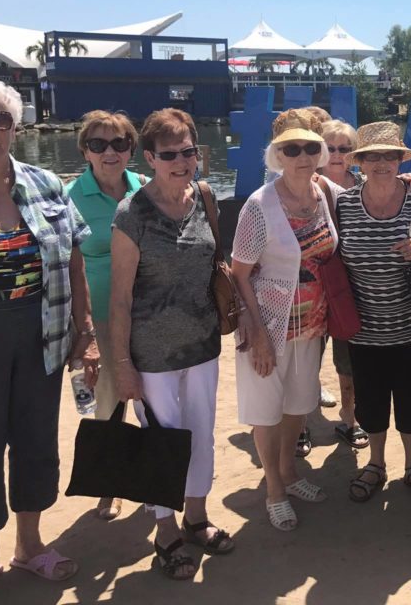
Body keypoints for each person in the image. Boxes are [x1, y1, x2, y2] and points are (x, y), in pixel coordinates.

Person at [0, 76, 95, 604]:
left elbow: (74, 257)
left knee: (36, 444)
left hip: (41, 336)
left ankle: (29, 545)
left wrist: (86, 330)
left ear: (14, 126)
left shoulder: (46, 184)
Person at [110, 108, 234, 580]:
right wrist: (122, 364)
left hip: (202, 341)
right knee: (162, 441)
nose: (181, 161)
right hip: (152, 352)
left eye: (188, 151)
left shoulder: (204, 197)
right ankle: (164, 530)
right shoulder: (132, 213)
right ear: (150, 158)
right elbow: (119, 298)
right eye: (169, 154)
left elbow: (215, 266)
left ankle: (196, 515)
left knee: (201, 432)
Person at [230, 109, 337, 532]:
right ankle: (273, 488)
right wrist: (255, 333)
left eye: (310, 147)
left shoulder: (323, 193)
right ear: (277, 155)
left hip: (313, 324)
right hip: (268, 325)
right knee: (266, 411)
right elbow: (239, 273)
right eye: (291, 149)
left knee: (297, 405)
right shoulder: (259, 206)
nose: (302, 155)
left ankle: (291, 473)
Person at [335, 122, 411, 504]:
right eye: (372, 156)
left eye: (389, 155)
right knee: (370, 400)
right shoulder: (345, 204)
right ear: (361, 162)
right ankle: (376, 462)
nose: (381, 162)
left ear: (400, 159)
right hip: (363, 329)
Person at [66, 109, 145, 522]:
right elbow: (64, 271)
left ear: (132, 148)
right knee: (107, 404)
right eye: (98, 144)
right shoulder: (68, 198)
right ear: (85, 151)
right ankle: (110, 488)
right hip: (100, 321)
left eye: (119, 143)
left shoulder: (147, 190)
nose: (109, 152)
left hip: (146, 315)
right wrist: (84, 333)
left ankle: (154, 480)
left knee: (153, 402)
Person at [317, 118, 367, 449]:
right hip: (313, 280)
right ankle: (301, 422)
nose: (337, 154)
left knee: (349, 353)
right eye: (330, 148)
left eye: (344, 148)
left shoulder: (364, 182)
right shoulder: (305, 182)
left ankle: (350, 416)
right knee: (309, 352)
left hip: (352, 282)